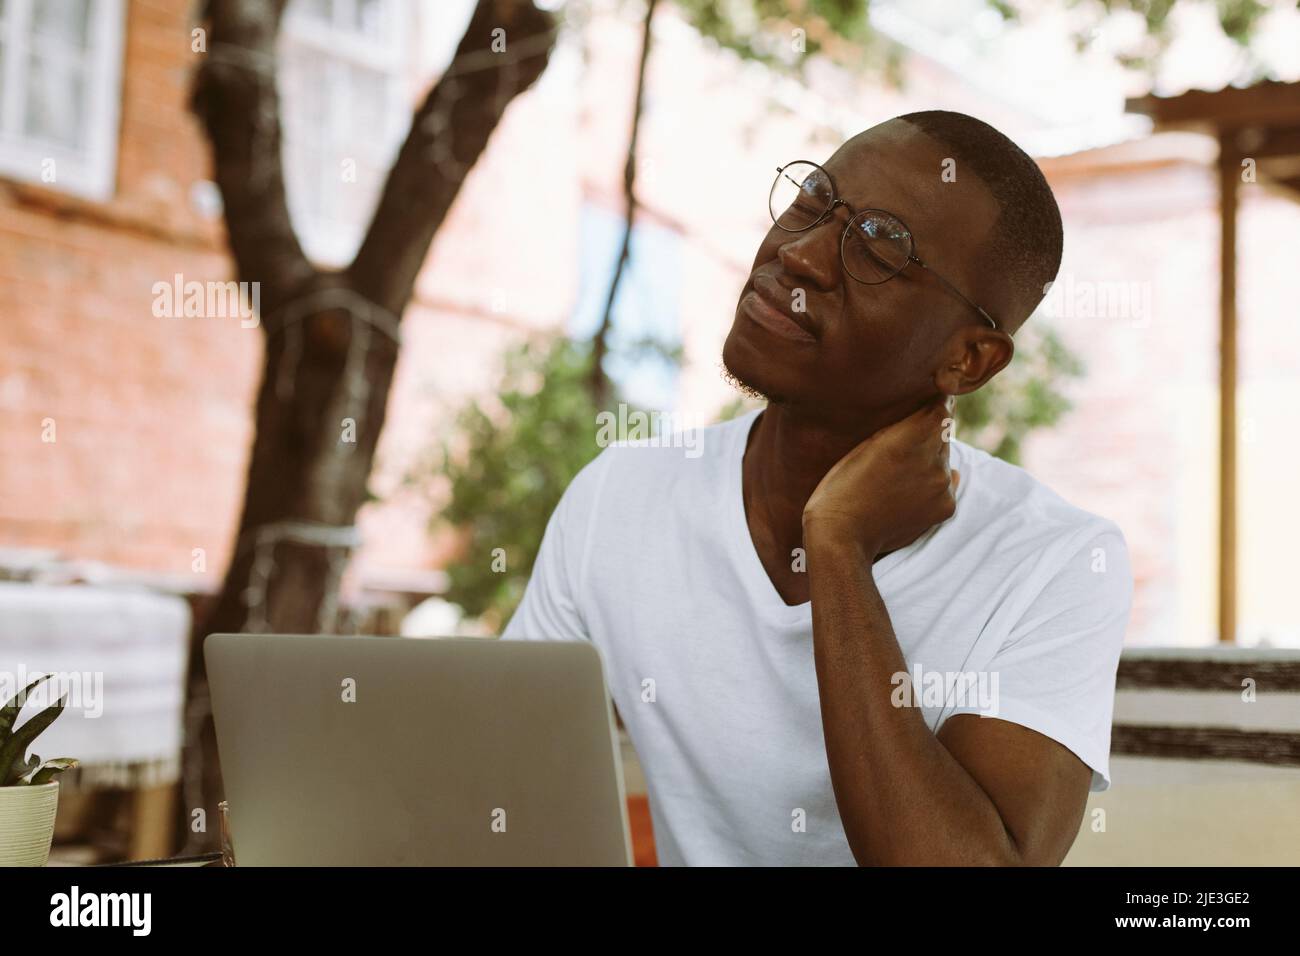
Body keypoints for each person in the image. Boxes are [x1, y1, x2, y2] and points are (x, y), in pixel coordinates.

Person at [504, 110, 1132, 866]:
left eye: (878, 248)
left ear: (969, 359)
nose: (798, 257)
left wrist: (836, 545)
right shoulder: (621, 496)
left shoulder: (1056, 561)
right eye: (812, 201)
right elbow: (500, 790)